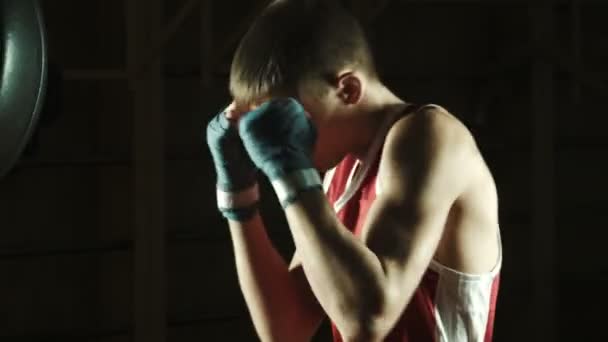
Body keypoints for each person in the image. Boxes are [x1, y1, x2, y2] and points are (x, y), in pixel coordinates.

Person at [206, 1, 501, 341]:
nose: (276, 136)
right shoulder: (339, 172)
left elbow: (369, 320)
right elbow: (286, 329)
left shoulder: (429, 136)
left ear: (347, 90)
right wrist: (239, 197)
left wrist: (291, 174)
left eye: (287, 118)